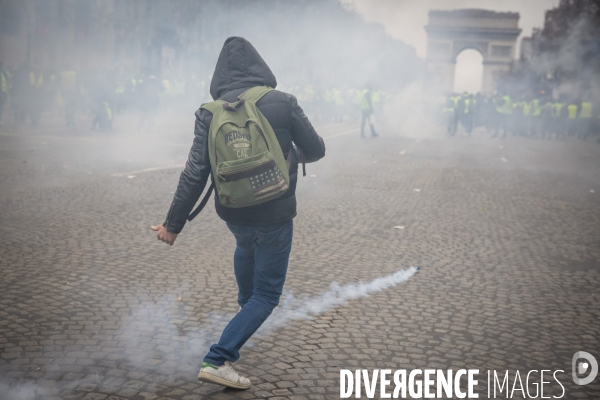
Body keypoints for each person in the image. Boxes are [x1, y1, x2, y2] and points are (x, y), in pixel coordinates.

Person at [150, 36, 326, 390]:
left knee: (246, 253)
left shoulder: (208, 111)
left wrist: (173, 225)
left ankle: (246, 319)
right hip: (275, 212)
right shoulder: (282, 102)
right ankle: (218, 358)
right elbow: (317, 149)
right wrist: (287, 154)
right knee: (266, 295)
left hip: (235, 214)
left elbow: (195, 172)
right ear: (260, 66)